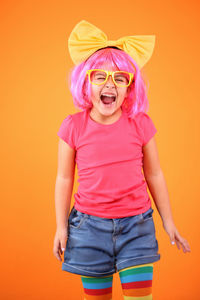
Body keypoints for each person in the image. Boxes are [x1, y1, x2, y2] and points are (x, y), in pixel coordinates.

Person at [53, 20, 191, 300]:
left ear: (130, 87)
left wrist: (169, 222)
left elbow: (155, 174)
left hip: (136, 227)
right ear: (85, 82)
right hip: (88, 229)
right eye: (99, 76)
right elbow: (64, 178)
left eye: (119, 78)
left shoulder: (140, 124)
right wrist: (61, 226)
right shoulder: (72, 126)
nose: (109, 84)